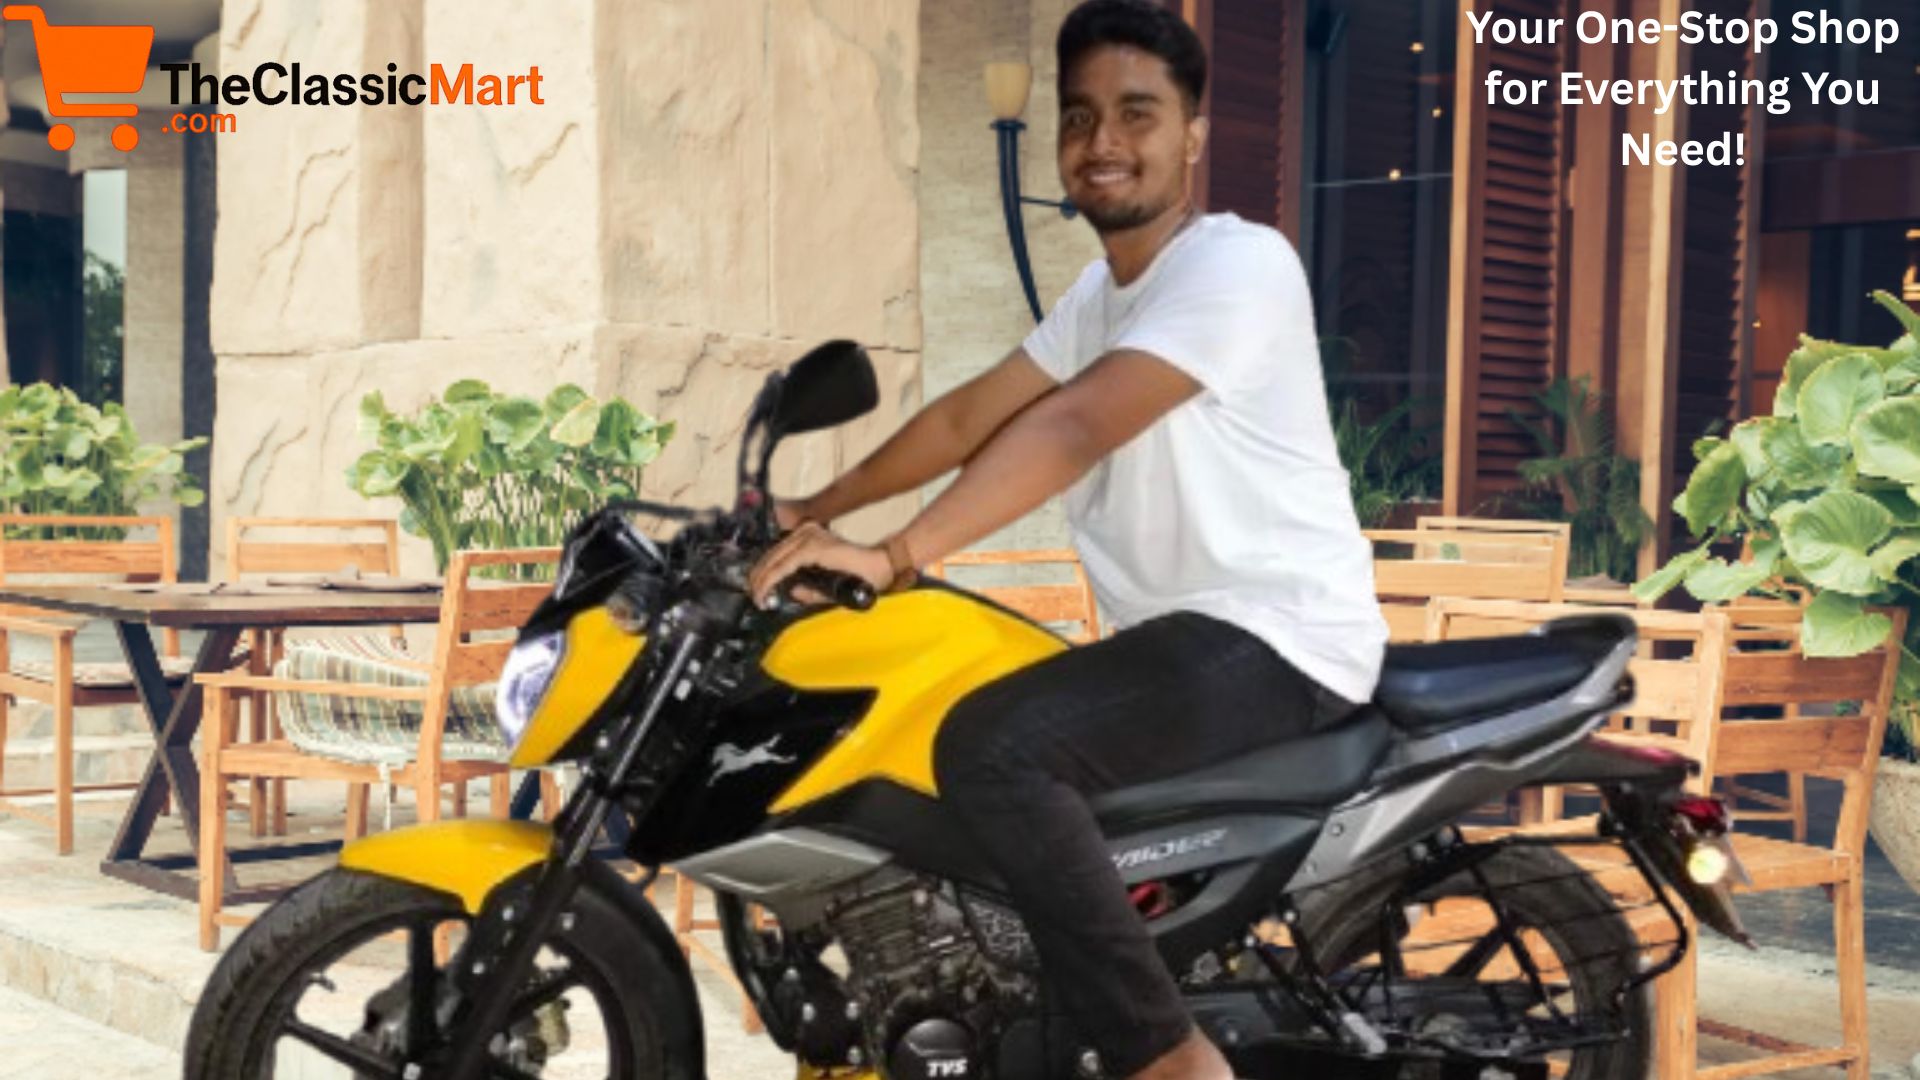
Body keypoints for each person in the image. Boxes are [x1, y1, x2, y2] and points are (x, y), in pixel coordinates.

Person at [749, 1, 1387, 1076]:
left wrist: (898, 551)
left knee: (994, 748)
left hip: (1274, 635)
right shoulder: (1104, 295)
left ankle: (1168, 1056)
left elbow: (1076, 424)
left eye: (1137, 112)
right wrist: (819, 508)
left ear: (1192, 134)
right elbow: (969, 416)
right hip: (1184, 638)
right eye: (1081, 116)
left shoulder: (1240, 264)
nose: (1103, 141)